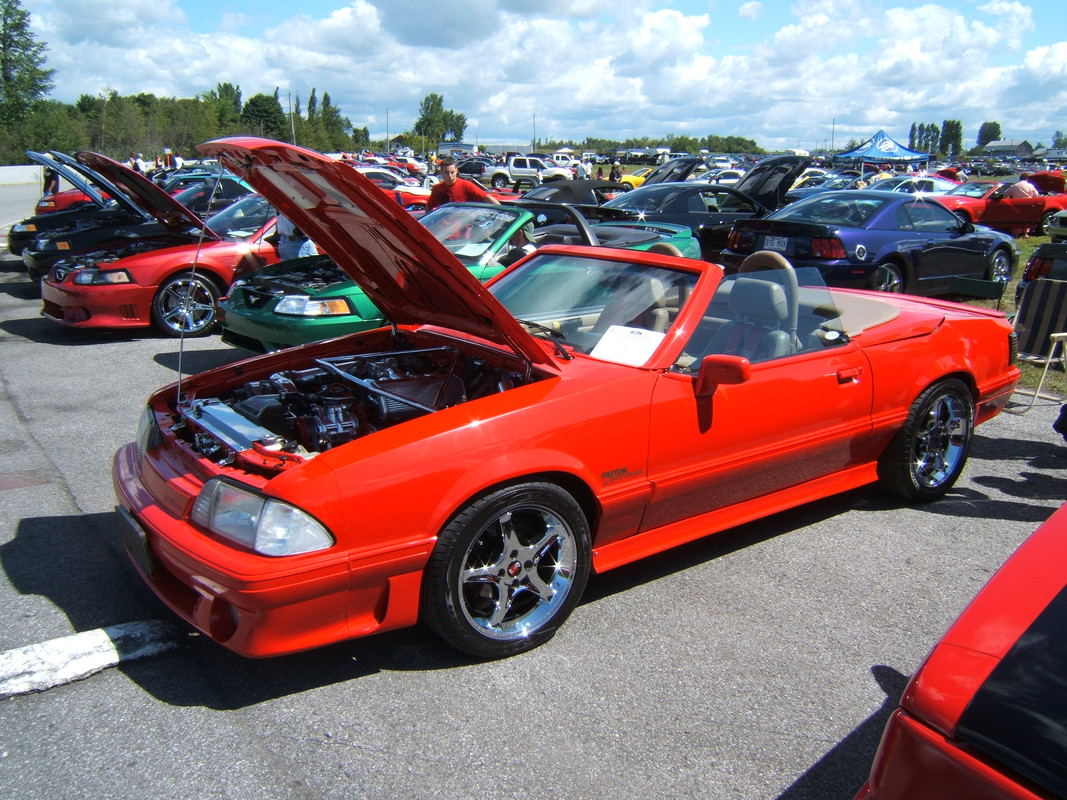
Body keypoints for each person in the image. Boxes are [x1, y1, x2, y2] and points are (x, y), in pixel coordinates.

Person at [425, 157, 501, 212]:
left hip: (461, 232)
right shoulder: (437, 189)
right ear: (441, 172)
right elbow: (429, 207)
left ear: (456, 171)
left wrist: (501, 212)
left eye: (452, 172)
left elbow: (486, 197)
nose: (450, 176)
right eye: (446, 173)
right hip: (442, 231)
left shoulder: (466, 185)